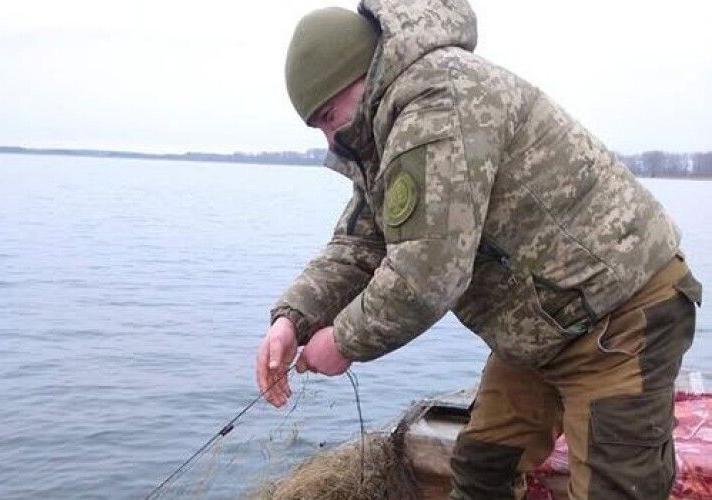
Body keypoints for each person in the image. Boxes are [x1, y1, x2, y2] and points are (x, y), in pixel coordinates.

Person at [255, 1, 703, 498]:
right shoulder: (386, 132)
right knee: (483, 468)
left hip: (620, 316)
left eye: (328, 115)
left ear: (363, 74)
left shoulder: (437, 102)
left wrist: (341, 342)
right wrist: (292, 319)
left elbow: (425, 276)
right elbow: (360, 243)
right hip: (539, 335)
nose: (329, 136)